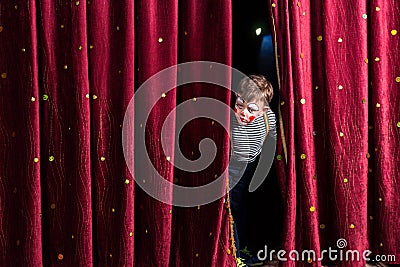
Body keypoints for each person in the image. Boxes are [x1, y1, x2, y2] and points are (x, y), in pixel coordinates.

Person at [229, 75, 276, 267]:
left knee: (239, 208)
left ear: (263, 110)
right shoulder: (235, 117)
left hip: (244, 168)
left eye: (252, 109)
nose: (243, 112)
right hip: (234, 168)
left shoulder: (267, 118)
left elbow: (244, 153)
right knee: (234, 209)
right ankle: (238, 253)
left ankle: (242, 252)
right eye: (240, 104)